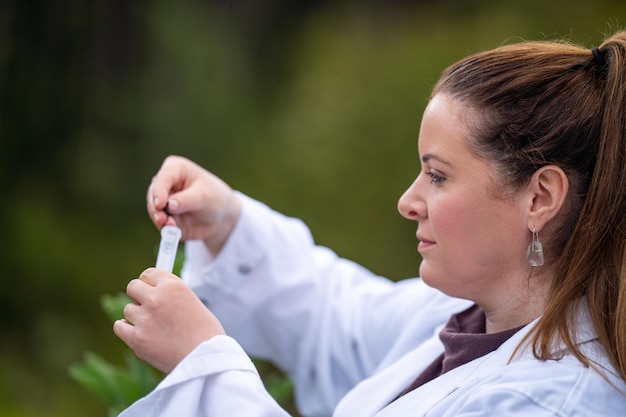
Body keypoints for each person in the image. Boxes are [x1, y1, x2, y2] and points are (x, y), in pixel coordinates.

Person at [113, 30, 626, 416]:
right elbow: (337, 321)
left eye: (438, 175)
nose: (409, 201)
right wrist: (228, 224)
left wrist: (203, 368)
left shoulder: (553, 403)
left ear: (540, 197)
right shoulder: (468, 314)